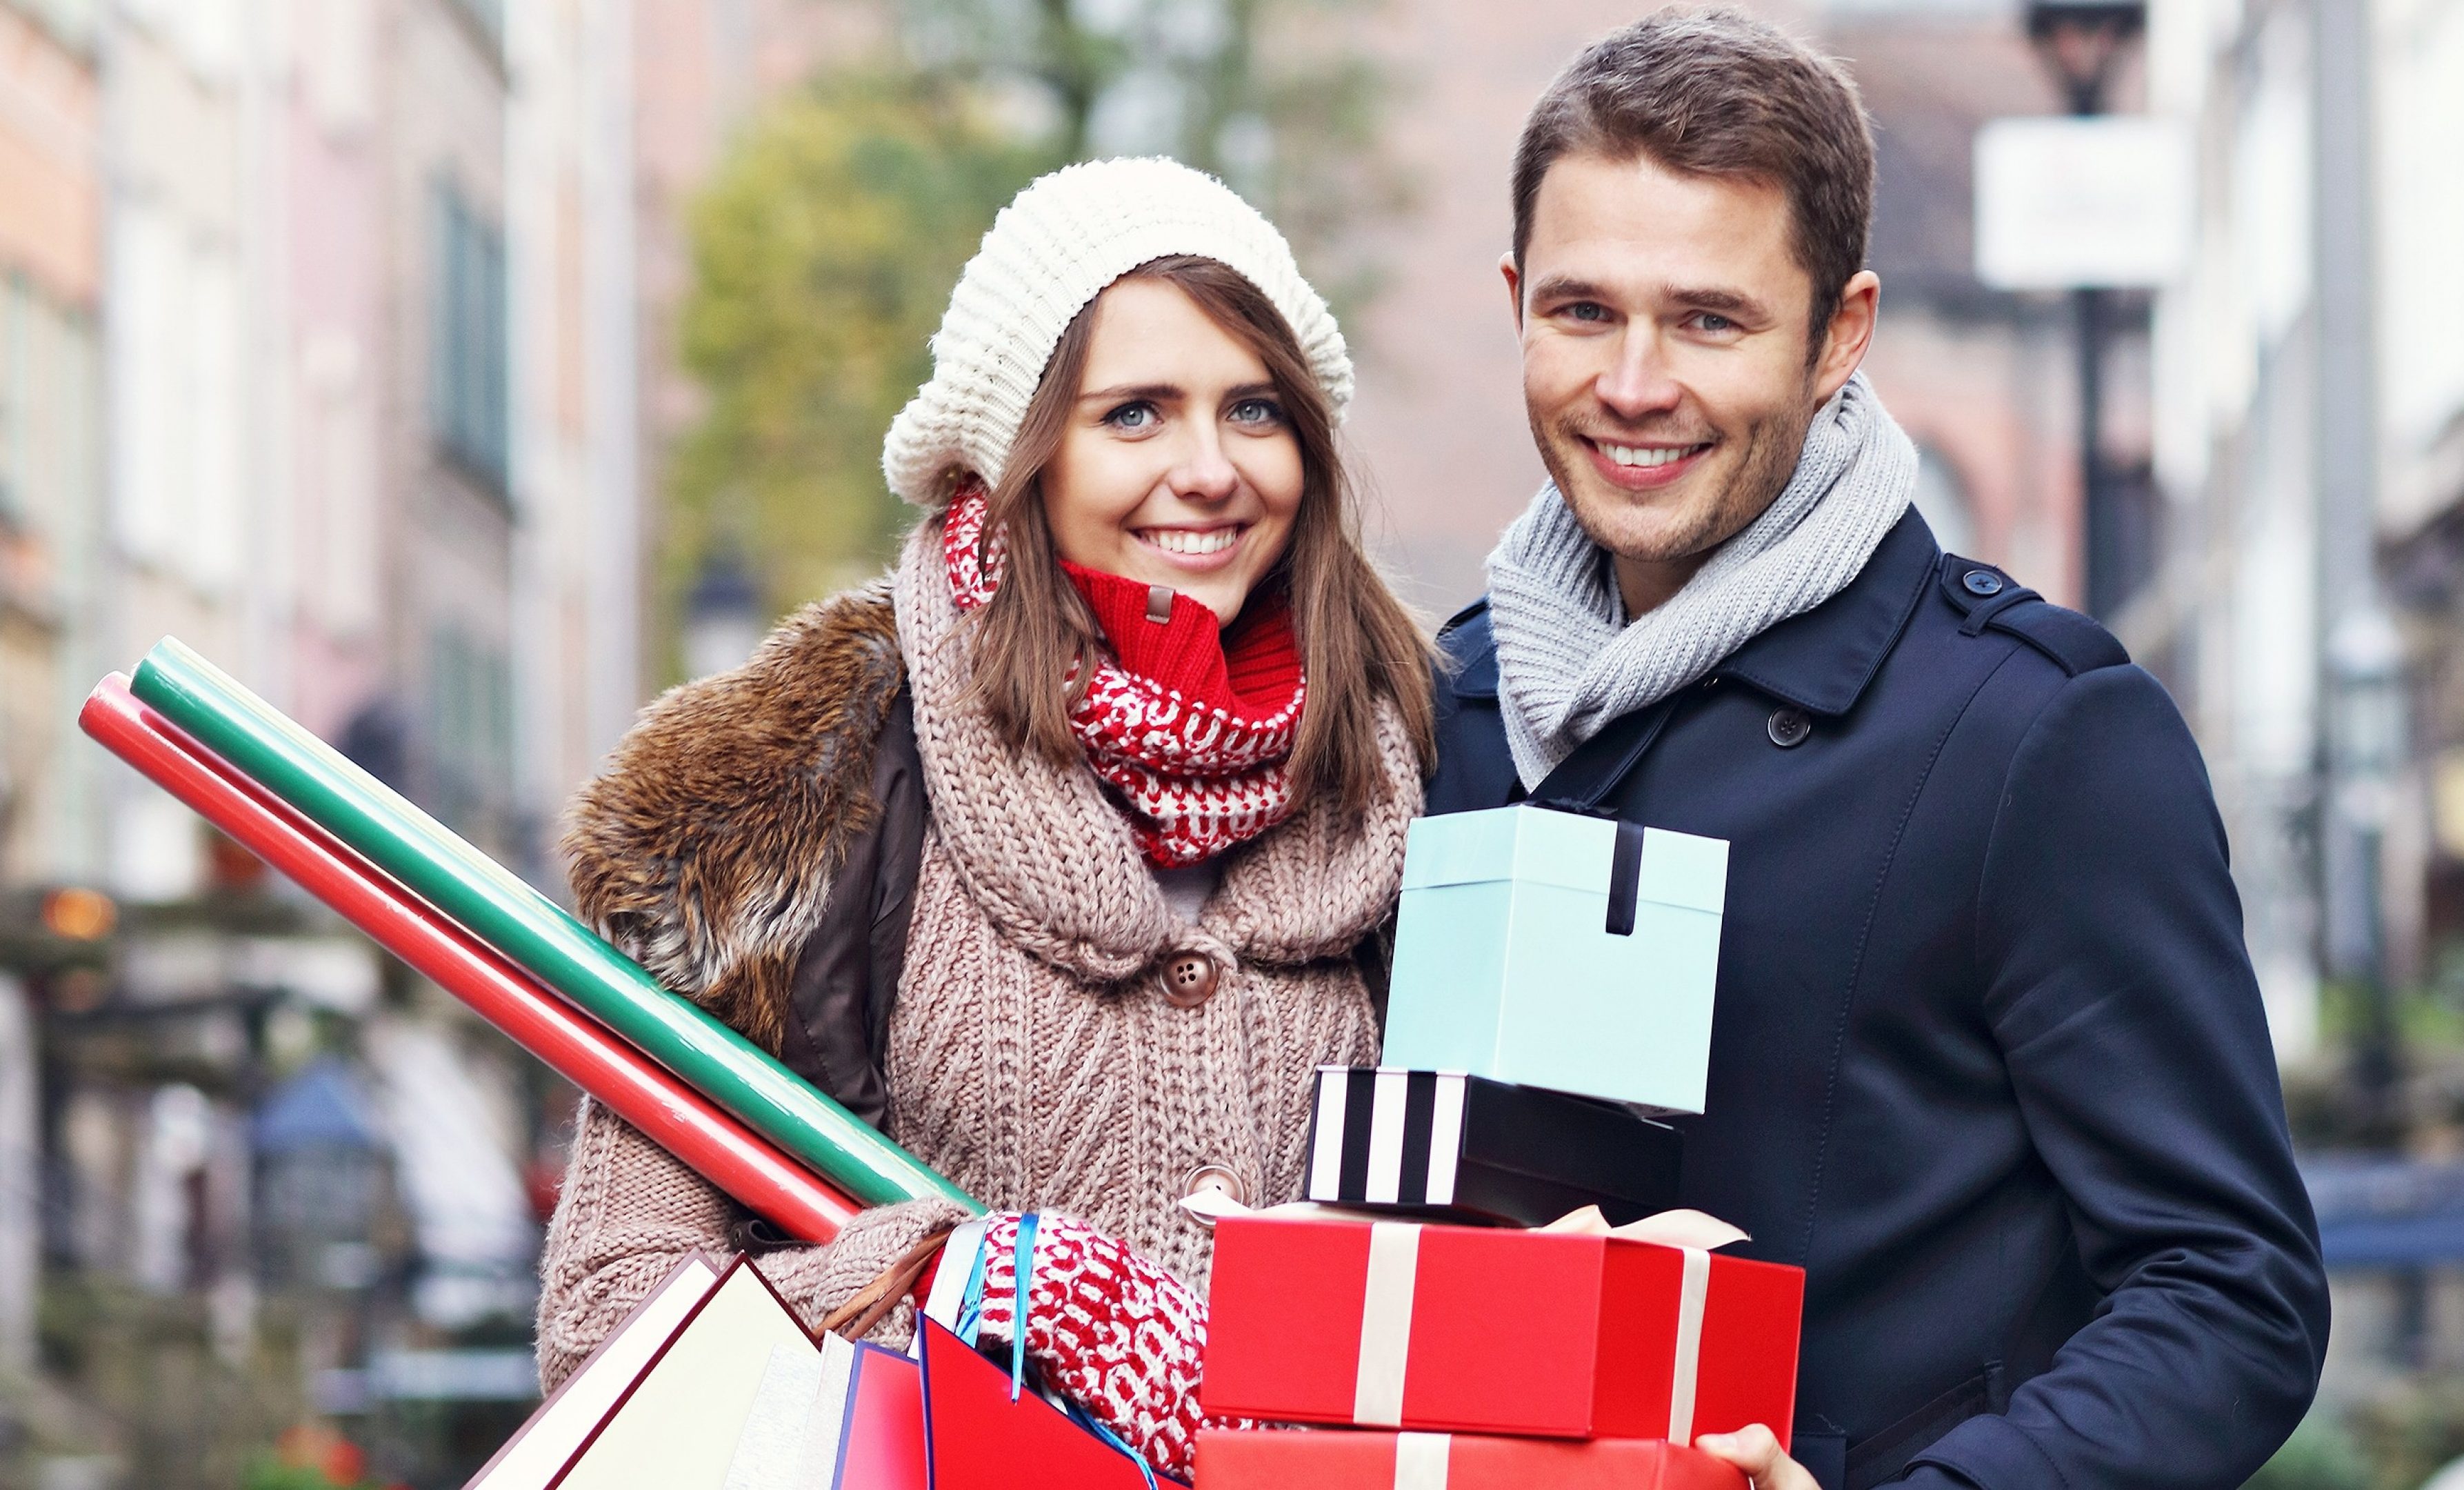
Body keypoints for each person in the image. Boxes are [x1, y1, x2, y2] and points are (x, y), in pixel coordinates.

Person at [1426, 12, 2330, 1490]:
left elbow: (2232, 1291)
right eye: (1584, 312)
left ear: (1839, 333)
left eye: (1709, 320)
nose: (1635, 384)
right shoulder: (1446, 704)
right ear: (1517, 301)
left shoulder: (2036, 735)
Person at [532, 160, 1434, 1451]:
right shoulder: (808, 791)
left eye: (1254, 409)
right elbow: (607, 1335)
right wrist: (963, 1292)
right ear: (1021, 451)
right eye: (1133, 414)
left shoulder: (1423, 771)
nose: (1210, 469)